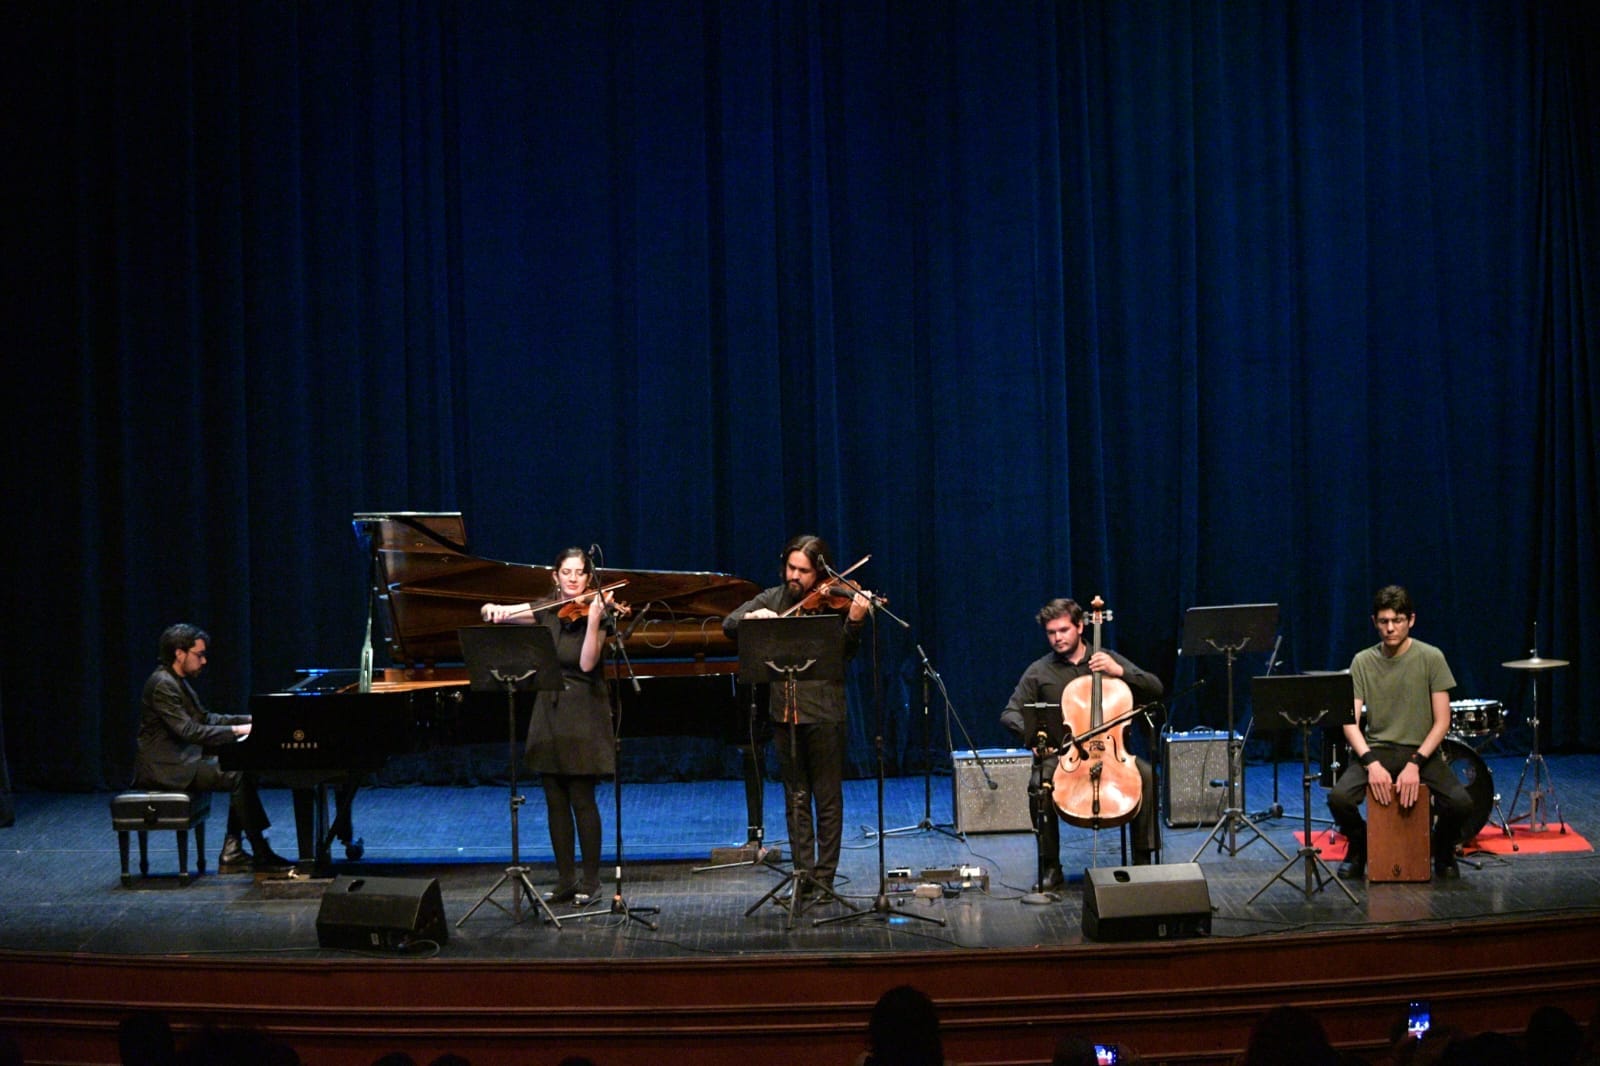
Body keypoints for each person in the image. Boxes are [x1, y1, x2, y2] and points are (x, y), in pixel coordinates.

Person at [723, 534, 870, 903]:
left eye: (803, 571)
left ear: (818, 572)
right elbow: (728, 623)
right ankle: (802, 875)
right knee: (795, 799)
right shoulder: (773, 598)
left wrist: (854, 621)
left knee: (826, 799)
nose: (795, 576)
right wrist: (753, 619)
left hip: (824, 714)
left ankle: (825, 878)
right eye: (791, 568)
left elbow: (845, 655)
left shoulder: (830, 602)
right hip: (784, 715)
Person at [481, 547, 619, 904]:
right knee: (555, 799)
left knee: (581, 798)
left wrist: (593, 621)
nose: (573, 579)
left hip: (583, 711)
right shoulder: (546, 610)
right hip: (549, 709)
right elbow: (508, 613)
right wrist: (492, 610)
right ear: (555, 576)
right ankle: (566, 880)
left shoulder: (597, 614)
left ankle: (592, 882)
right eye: (567, 572)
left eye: (580, 573)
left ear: (589, 578)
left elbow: (588, 664)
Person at [1001, 598, 1163, 887]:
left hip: (1113, 753)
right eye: (1051, 633)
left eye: (1063, 630)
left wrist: (1120, 671)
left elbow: (1156, 688)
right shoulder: (1039, 671)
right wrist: (1035, 739)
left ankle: (1143, 860)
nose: (1057, 638)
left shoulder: (1107, 659)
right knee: (1039, 784)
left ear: (1080, 626)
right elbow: (1010, 712)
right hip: (1064, 753)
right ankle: (1050, 865)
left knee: (1148, 776)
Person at [1327, 586, 1474, 881]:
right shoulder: (1362, 661)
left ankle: (1441, 848)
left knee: (1461, 803)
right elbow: (1349, 721)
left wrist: (1415, 763)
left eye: (1397, 620)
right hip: (1378, 750)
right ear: (1374, 622)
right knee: (1339, 799)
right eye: (1383, 621)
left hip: (1421, 752)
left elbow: (1442, 720)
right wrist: (1370, 762)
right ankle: (1360, 846)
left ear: (1411, 620)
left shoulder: (1431, 657)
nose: (1390, 628)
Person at [134, 624, 292, 873]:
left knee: (243, 767)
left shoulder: (177, 681)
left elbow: (206, 719)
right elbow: (189, 731)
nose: (204, 660)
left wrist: (252, 720)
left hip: (183, 760)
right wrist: (238, 731)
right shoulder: (162, 684)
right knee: (236, 773)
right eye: (199, 654)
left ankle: (234, 850)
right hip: (168, 767)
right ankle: (259, 851)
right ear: (179, 653)